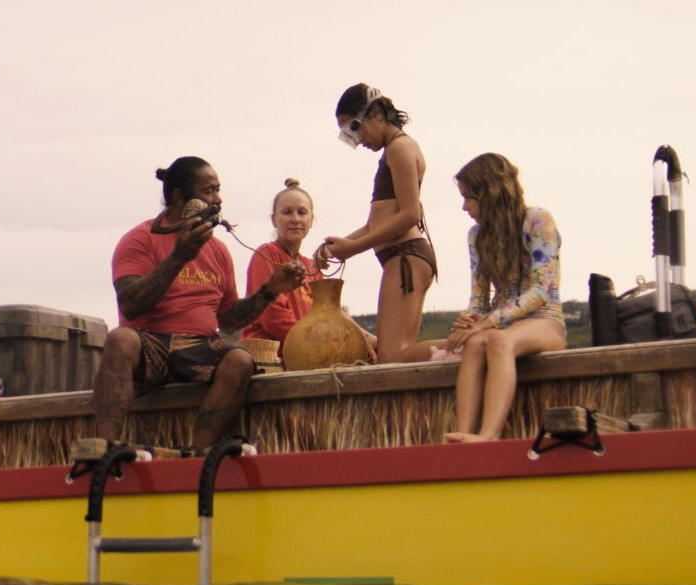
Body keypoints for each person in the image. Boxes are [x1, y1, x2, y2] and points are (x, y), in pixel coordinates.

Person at [90, 156, 305, 454]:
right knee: (120, 339)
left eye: (218, 190)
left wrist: (269, 291)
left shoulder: (218, 250)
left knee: (239, 360)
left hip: (198, 346)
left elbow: (228, 320)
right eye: (209, 191)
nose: (218, 200)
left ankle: (196, 453)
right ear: (180, 198)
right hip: (150, 342)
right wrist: (180, 256)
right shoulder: (140, 239)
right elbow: (131, 305)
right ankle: (105, 448)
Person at [444, 153, 566, 443]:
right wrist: (469, 320)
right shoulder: (477, 236)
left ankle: (489, 435)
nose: (464, 207)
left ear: (491, 193)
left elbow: (541, 291)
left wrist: (487, 322)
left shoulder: (537, 220)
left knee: (499, 340)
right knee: (474, 344)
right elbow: (479, 299)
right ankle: (463, 434)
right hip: (500, 324)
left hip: (545, 320)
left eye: (469, 197)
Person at [317, 83, 437, 364]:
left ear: (376, 114)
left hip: (405, 256)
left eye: (355, 129)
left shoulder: (399, 147)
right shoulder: (395, 149)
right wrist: (337, 246)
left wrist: (353, 248)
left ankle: (472, 348)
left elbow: (410, 214)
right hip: (404, 257)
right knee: (396, 355)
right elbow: (376, 224)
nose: (358, 140)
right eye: (349, 135)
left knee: (393, 355)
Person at [241, 178, 324, 346]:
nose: (295, 219)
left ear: (311, 220)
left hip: (306, 349)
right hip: (270, 352)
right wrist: (314, 343)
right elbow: (272, 317)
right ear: (274, 219)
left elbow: (326, 313)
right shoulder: (267, 255)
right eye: (287, 212)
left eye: (302, 212)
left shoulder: (313, 268)